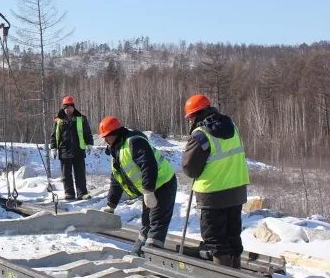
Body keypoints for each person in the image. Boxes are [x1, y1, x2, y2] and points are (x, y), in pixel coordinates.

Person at [182, 94, 249, 268]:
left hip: (212, 194)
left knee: (215, 239)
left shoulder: (201, 135)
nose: (190, 121)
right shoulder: (232, 126)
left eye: (190, 118)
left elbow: (189, 167)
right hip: (236, 190)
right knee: (232, 234)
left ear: (195, 115)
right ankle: (236, 271)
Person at [99, 116, 177, 256]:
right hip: (151, 190)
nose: (105, 141)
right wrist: (111, 205)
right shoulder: (117, 150)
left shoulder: (134, 142)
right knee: (146, 224)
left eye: (107, 137)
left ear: (115, 134)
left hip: (164, 185)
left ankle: (153, 259)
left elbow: (149, 166)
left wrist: (148, 191)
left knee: (157, 225)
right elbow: (117, 180)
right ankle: (138, 255)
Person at [50, 95, 94, 200]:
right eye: (66, 107)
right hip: (64, 150)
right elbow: (54, 135)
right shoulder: (58, 120)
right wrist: (53, 148)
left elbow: (87, 132)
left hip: (78, 150)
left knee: (80, 173)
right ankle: (69, 193)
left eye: (70, 107)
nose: (68, 109)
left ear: (73, 107)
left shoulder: (81, 119)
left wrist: (89, 143)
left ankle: (82, 193)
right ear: (63, 108)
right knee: (66, 175)